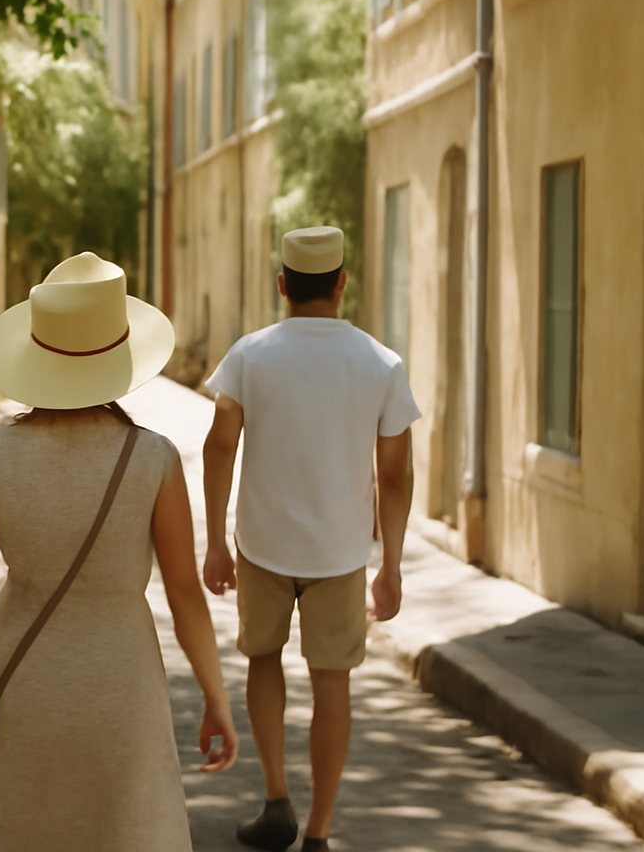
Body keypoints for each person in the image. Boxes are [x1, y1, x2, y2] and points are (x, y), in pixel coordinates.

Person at [0, 251, 239, 851]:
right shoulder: (154, 459)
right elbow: (183, 594)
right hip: (125, 692)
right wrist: (216, 697)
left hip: (28, 694)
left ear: (36, 352)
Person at [201, 226, 420, 852]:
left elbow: (219, 446)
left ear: (282, 285)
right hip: (341, 553)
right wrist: (392, 564)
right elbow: (395, 473)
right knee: (333, 682)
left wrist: (214, 540)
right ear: (342, 283)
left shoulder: (249, 355)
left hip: (261, 544)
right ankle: (319, 832)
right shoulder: (380, 363)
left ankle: (277, 800)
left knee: (262, 661)